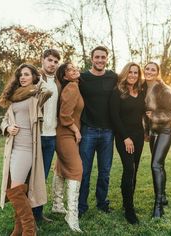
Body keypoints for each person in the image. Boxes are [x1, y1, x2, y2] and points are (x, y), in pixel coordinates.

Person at [0, 63, 51, 235]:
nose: (22, 77)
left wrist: (39, 76)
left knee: (14, 189)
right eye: (20, 75)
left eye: (27, 74)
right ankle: (18, 227)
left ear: (34, 77)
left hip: (27, 148)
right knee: (18, 189)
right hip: (13, 149)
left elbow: (48, 90)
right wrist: (8, 128)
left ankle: (30, 229)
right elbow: (5, 120)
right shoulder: (14, 98)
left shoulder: (37, 95)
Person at [78, 46, 118, 217]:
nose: (100, 60)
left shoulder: (113, 77)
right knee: (84, 171)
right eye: (97, 57)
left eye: (103, 57)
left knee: (104, 171)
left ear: (107, 59)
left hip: (108, 132)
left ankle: (102, 203)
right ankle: (81, 206)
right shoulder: (83, 78)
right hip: (88, 130)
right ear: (91, 58)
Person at [143, 61, 171, 218]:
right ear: (143, 70)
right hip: (153, 133)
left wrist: (156, 115)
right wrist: (146, 130)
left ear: (157, 72)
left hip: (165, 130)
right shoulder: (142, 88)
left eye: (153, 69)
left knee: (155, 165)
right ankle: (163, 196)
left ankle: (158, 205)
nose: (150, 71)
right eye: (147, 69)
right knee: (159, 165)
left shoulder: (164, 89)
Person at [109, 62, 145, 224]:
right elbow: (114, 117)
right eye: (130, 72)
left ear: (139, 75)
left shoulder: (141, 92)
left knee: (135, 170)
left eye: (136, 73)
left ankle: (127, 203)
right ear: (125, 73)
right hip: (124, 137)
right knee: (129, 169)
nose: (133, 75)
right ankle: (129, 211)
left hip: (139, 136)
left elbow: (143, 112)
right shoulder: (118, 92)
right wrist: (125, 138)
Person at [53, 62, 84, 232]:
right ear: (65, 76)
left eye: (75, 67)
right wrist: (76, 130)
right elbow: (64, 116)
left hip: (65, 134)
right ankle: (72, 215)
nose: (75, 70)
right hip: (65, 134)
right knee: (76, 169)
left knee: (60, 167)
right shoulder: (72, 87)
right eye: (70, 70)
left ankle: (57, 204)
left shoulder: (74, 85)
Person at [32, 48, 61, 224]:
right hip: (37, 135)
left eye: (56, 62)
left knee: (42, 178)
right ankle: (26, 215)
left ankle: (38, 214)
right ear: (42, 60)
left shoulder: (58, 82)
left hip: (52, 136)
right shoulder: (35, 80)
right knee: (32, 176)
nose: (52, 64)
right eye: (50, 60)